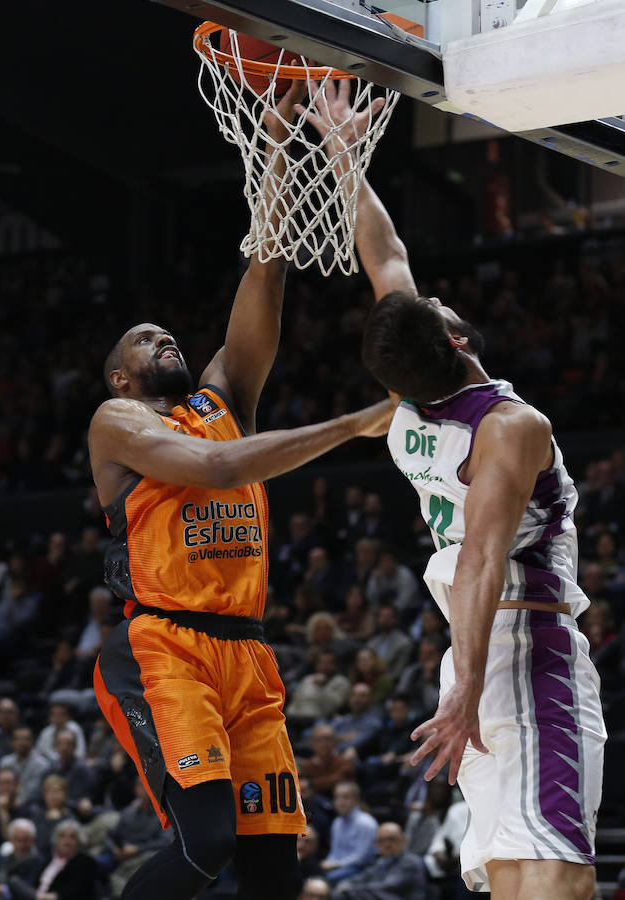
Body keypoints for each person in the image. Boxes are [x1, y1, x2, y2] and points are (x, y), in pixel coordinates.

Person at [299, 81, 607, 899]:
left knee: (512, 874)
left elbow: (384, 258)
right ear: (458, 339)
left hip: (468, 649)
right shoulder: (509, 426)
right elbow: (478, 558)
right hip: (520, 648)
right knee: (554, 876)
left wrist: (341, 155)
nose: (430, 292)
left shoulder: (408, 405)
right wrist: (469, 685)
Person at [87, 82, 394, 900]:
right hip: (164, 647)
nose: (167, 338)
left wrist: (274, 145)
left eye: (170, 332)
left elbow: (268, 264)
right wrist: (354, 423)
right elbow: (222, 471)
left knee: (272, 862)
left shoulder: (221, 401)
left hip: (246, 651)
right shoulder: (118, 420)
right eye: (147, 339)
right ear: (122, 373)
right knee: (208, 840)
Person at [331, 820, 427, 900]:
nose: (386, 845)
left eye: (391, 839)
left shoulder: (411, 862)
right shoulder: (381, 862)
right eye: (381, 841)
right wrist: (346, 884)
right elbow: (360, 878)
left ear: (403, 840)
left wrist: (350, 889)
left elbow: (387, 886)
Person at [321, 781, 377, 885]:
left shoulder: (366, 823)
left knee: (328, 879)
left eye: (345, 797)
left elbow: (361, 858)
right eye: (337, 797)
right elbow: (334, 852)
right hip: (339, 866)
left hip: (362, 869)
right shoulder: (337, 822)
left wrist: (334, 865)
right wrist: (327, 863)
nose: (340, 802)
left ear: (356, 800)